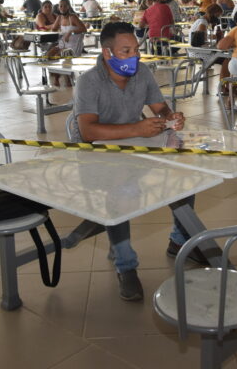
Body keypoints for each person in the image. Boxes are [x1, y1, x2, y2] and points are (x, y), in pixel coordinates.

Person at [69, 22, 189, 301]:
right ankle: (126, 266)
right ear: (108, 53)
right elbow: (88, 132)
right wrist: (137, 129)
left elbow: (160, 108)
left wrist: (173, 117)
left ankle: (180, 238)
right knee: (120, 188)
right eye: (126, 51)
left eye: (136, 49)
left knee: (186, 171)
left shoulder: (141, 72)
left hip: (135, 143)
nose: (134, 56)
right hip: (96, 153)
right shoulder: (89, 81)